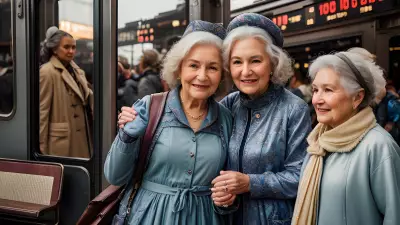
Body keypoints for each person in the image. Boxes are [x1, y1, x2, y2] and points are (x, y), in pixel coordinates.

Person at [118, 13, 311, 225]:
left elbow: (301, 178)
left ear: (273, 63)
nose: (245, 71)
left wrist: (250, 183)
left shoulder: (293, 109)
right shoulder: (229, 104)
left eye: (255, 61)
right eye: (237, 62)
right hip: (222, 217)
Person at [104, 21, 235, 225]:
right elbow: (115, 176)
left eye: (212, 67)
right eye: (193, 65)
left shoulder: (226, 119)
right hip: (149, 217)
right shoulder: (150, 107)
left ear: (222, 75)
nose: (202, 76)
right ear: (179, 68)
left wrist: (227, 199)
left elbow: (226, 186)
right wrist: (127, 137)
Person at [292, 50, 400, 225]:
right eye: (315, 90)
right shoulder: (317, 142)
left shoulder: (379, 146)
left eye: (328, 90)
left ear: (357, 97)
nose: (317, 100)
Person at [39, 26, 93, 158]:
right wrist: (41, 150)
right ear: (54, 49)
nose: (71, 51)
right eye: (66, 47)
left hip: (82, 136)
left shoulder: (78, 71)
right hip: (62, 141)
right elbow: (43, 112)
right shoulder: (47, 72)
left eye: (73, 47)